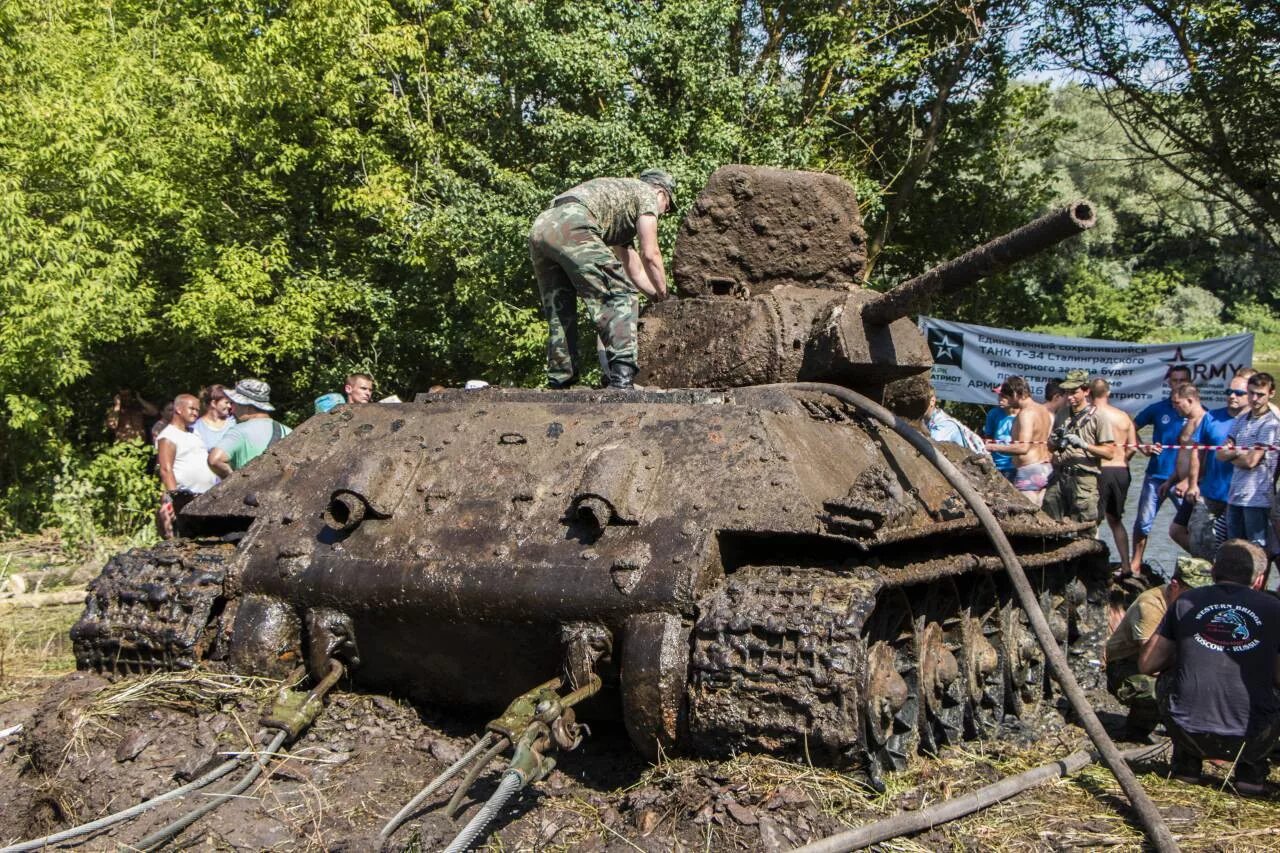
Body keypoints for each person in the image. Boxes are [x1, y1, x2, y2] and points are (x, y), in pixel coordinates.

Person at [1139, 540, 1280, 794]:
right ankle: (1251, 773)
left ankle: (1186, 766)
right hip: (1253, 734)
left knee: (1168, 678)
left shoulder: (1186, 601)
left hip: (1188, 730)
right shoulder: (1275, 609)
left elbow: (1148, 664)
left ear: (1213, 571)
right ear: (1259, 580)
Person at [528, 169, 677, 390]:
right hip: (574, 222)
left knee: (560, 309)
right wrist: (665, 293)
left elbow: (634, 269)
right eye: (668, 206)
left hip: (542, 226)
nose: (665, 212)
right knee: (620, 294)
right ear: (661, 193)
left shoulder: (620, 199)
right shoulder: (646, 194)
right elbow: (650, 254)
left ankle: (560, 381)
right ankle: (622, 379)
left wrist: (656, 297)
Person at [1106, 555, 1213, 740]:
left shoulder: (1198, 606)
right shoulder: (1151, 605)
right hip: (1126, 665)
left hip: (1170, 661)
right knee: (1153, 688)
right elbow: (1149, 664)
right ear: (1174, 586)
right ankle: (1136, 732)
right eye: (1193, 592)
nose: (1199, 598)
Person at [1175, 372, 1250, 559]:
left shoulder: (1255, 422)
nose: (1232, 396)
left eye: (1239, 393)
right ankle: (1205, 574)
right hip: (1210, 492)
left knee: (1237, 544)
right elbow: (1197, 453)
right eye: (1229, 391)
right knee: (1197, 533)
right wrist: (1192, 484)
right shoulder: (1211, 417)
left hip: (1239, 495)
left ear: (1251, 395)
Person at [1129, 364, 1192, 575]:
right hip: (1156, 476)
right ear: (1168, 383)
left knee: (1191, 527)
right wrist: (1142, 446)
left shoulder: (1198, 414)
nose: (1178, 385)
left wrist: (1190, 481)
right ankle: (1135, 563)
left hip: (1183, 481)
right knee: (1142, 523)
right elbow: (1131, 426)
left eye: (1182, 381)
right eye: (1174, 381)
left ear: (1189, 383)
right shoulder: (1159, 408)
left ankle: (1201, 566)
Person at [1216, 372, 1280, 548]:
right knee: (1234, 547)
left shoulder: (1271, 424)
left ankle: (1258, 577)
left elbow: (1251, 461)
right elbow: (1220, 454)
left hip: (1257, 496)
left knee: (1256, 548)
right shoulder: (1241, 419)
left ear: (1271, 394)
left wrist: (1233, 453)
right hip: (1235, 494)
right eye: (1251, 393)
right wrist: (1237, 454)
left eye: (1260, 394)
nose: (1255, 398)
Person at [1044, 369, 1115, 524]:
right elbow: (1050, 448)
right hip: (1060, 476)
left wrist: (1084, 445)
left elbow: (1109, 453)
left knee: (1084, 526)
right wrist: (1054, 442)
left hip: (1084, 480)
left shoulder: (1098, 417)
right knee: (1050, 519)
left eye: (1074, 392)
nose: (1070, 397)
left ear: (1086, 391)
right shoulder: (1062, 414)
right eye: (1067, 392)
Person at [155, 394, 218, 538]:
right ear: (178, 409)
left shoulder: (194, 432)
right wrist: (174, 499)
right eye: (191, 409)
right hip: (184, 499)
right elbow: (166, 470)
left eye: (197, 409)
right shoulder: (169, 435)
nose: (195, 413)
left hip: (204, 496)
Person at [1091, 378, 1138, 571]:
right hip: (1121, 470)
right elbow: (1133, 447)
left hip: (1101, 469)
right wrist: (1122, 458)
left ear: (1089, 393)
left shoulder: (1091, 415)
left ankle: (1092, 563)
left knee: (1093, 520)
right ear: (1108, 393)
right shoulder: (1123, 416)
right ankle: (1126, 566)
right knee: (1116, 520)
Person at [985, 376, 1054, 506]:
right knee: (1040, 517)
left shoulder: (1026, 414)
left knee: (1027, 517)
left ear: (1016, 394)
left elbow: (1023, 448)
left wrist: (993, 447)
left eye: (1008, 396)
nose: (1007, 400)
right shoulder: (1043, 410)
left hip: (1029, 470)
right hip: (1045, 468)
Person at [207, 379, 291, 477]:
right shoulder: (288, 431)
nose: (231, 408)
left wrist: (232, 482)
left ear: (247, 406)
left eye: (233, 403)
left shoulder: (239, 431)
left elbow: (215, 460)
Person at [922, 392, 988, 454]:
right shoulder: (929, 419)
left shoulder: (944, 425)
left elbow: (930, 446)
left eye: (919, 402)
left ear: (932, 401)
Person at [983, 392, 1016, 482]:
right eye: (999, 396)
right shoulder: (993, 413)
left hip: (1014, 466)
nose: (1000, 399)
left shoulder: (1022, 415)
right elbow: (988, 436)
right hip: (995, 463)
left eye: (1004, 396)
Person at [192, 384, 236, 450]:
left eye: (230, 403)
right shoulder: (196, 428)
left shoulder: (234, 422)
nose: (229, 406)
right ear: (213, 403)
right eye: (226, 403)